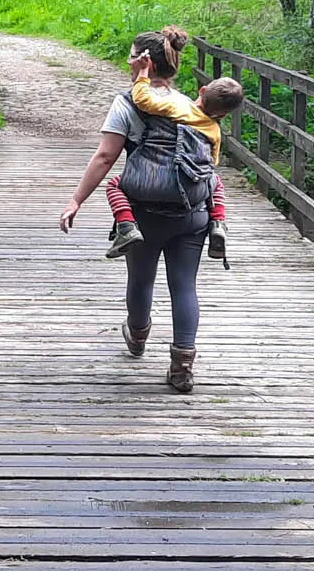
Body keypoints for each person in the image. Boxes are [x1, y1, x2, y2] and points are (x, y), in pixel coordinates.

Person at [58, 25, 214, 393]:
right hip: (192, 209)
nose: (127, 61)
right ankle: (181, 366)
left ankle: (138, 337)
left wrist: (76, 199)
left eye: (131, 55)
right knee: (184, 286)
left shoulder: (128, 103)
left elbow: (106, 156)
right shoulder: (188, 104)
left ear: (144, 62)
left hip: (144, 210)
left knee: (141, 277)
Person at [104, 60, 245, 266]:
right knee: (215, 181)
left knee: (115, 184)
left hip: (148, 185)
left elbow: (143, 100)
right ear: (222, 114)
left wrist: (143, 73)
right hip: (190, 198)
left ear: (202, 90)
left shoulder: (176, 106)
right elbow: (211, 163)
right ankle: (217, 222)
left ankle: (126, 225)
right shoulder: (214, 130)